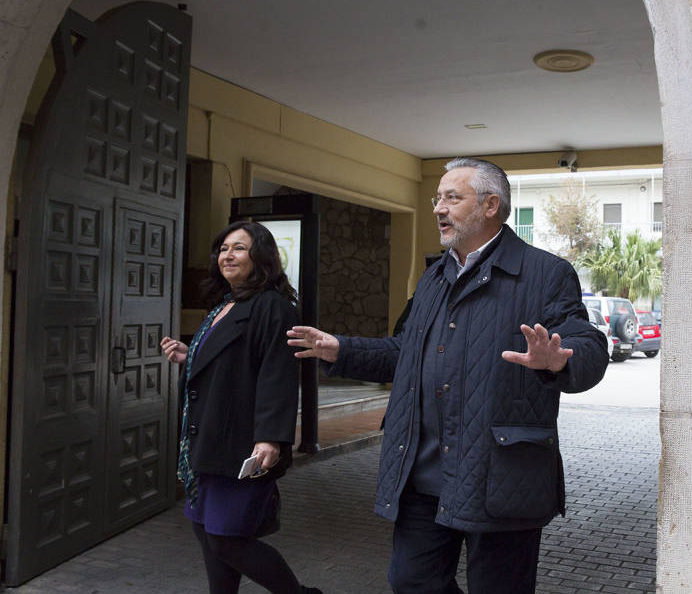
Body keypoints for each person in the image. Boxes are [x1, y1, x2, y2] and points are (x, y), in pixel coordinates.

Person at [287, 158, 608, 593]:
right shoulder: (434, 278)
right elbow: (405, 353)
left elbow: (587, 343)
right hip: (423, 472)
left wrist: (560, 360)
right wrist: (342, 350)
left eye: (452, 198)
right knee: (411, 581)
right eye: (437, 198)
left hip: (501, 478)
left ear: (491, 205)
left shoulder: (546, 273)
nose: (438, 208)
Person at [161, 221, 321, 594]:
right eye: (222, 249)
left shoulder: (273, 306)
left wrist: (270, 438)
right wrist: (192, 356)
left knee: (227, 539)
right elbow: (231, 361)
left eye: (238, 248)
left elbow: (276, 373)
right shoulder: (227, 303)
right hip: (209, 440)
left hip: (242, 444)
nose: (226, 256)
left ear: (260, 256)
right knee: (206, 531)